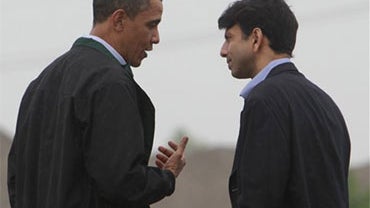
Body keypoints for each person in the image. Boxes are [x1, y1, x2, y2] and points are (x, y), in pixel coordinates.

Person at [7, 0, 189, 207]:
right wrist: (166, 176)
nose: (156, 38)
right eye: (151, 25)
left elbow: (16, 178)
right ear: (119, 20)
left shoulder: (40, 84)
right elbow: (121, 183)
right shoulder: (110, 84)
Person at [218, 0, 351, 207]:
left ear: (255, 38)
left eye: (229, 38)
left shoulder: (264, 100)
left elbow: (259, 196)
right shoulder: (326, 104)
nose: (223, 51)